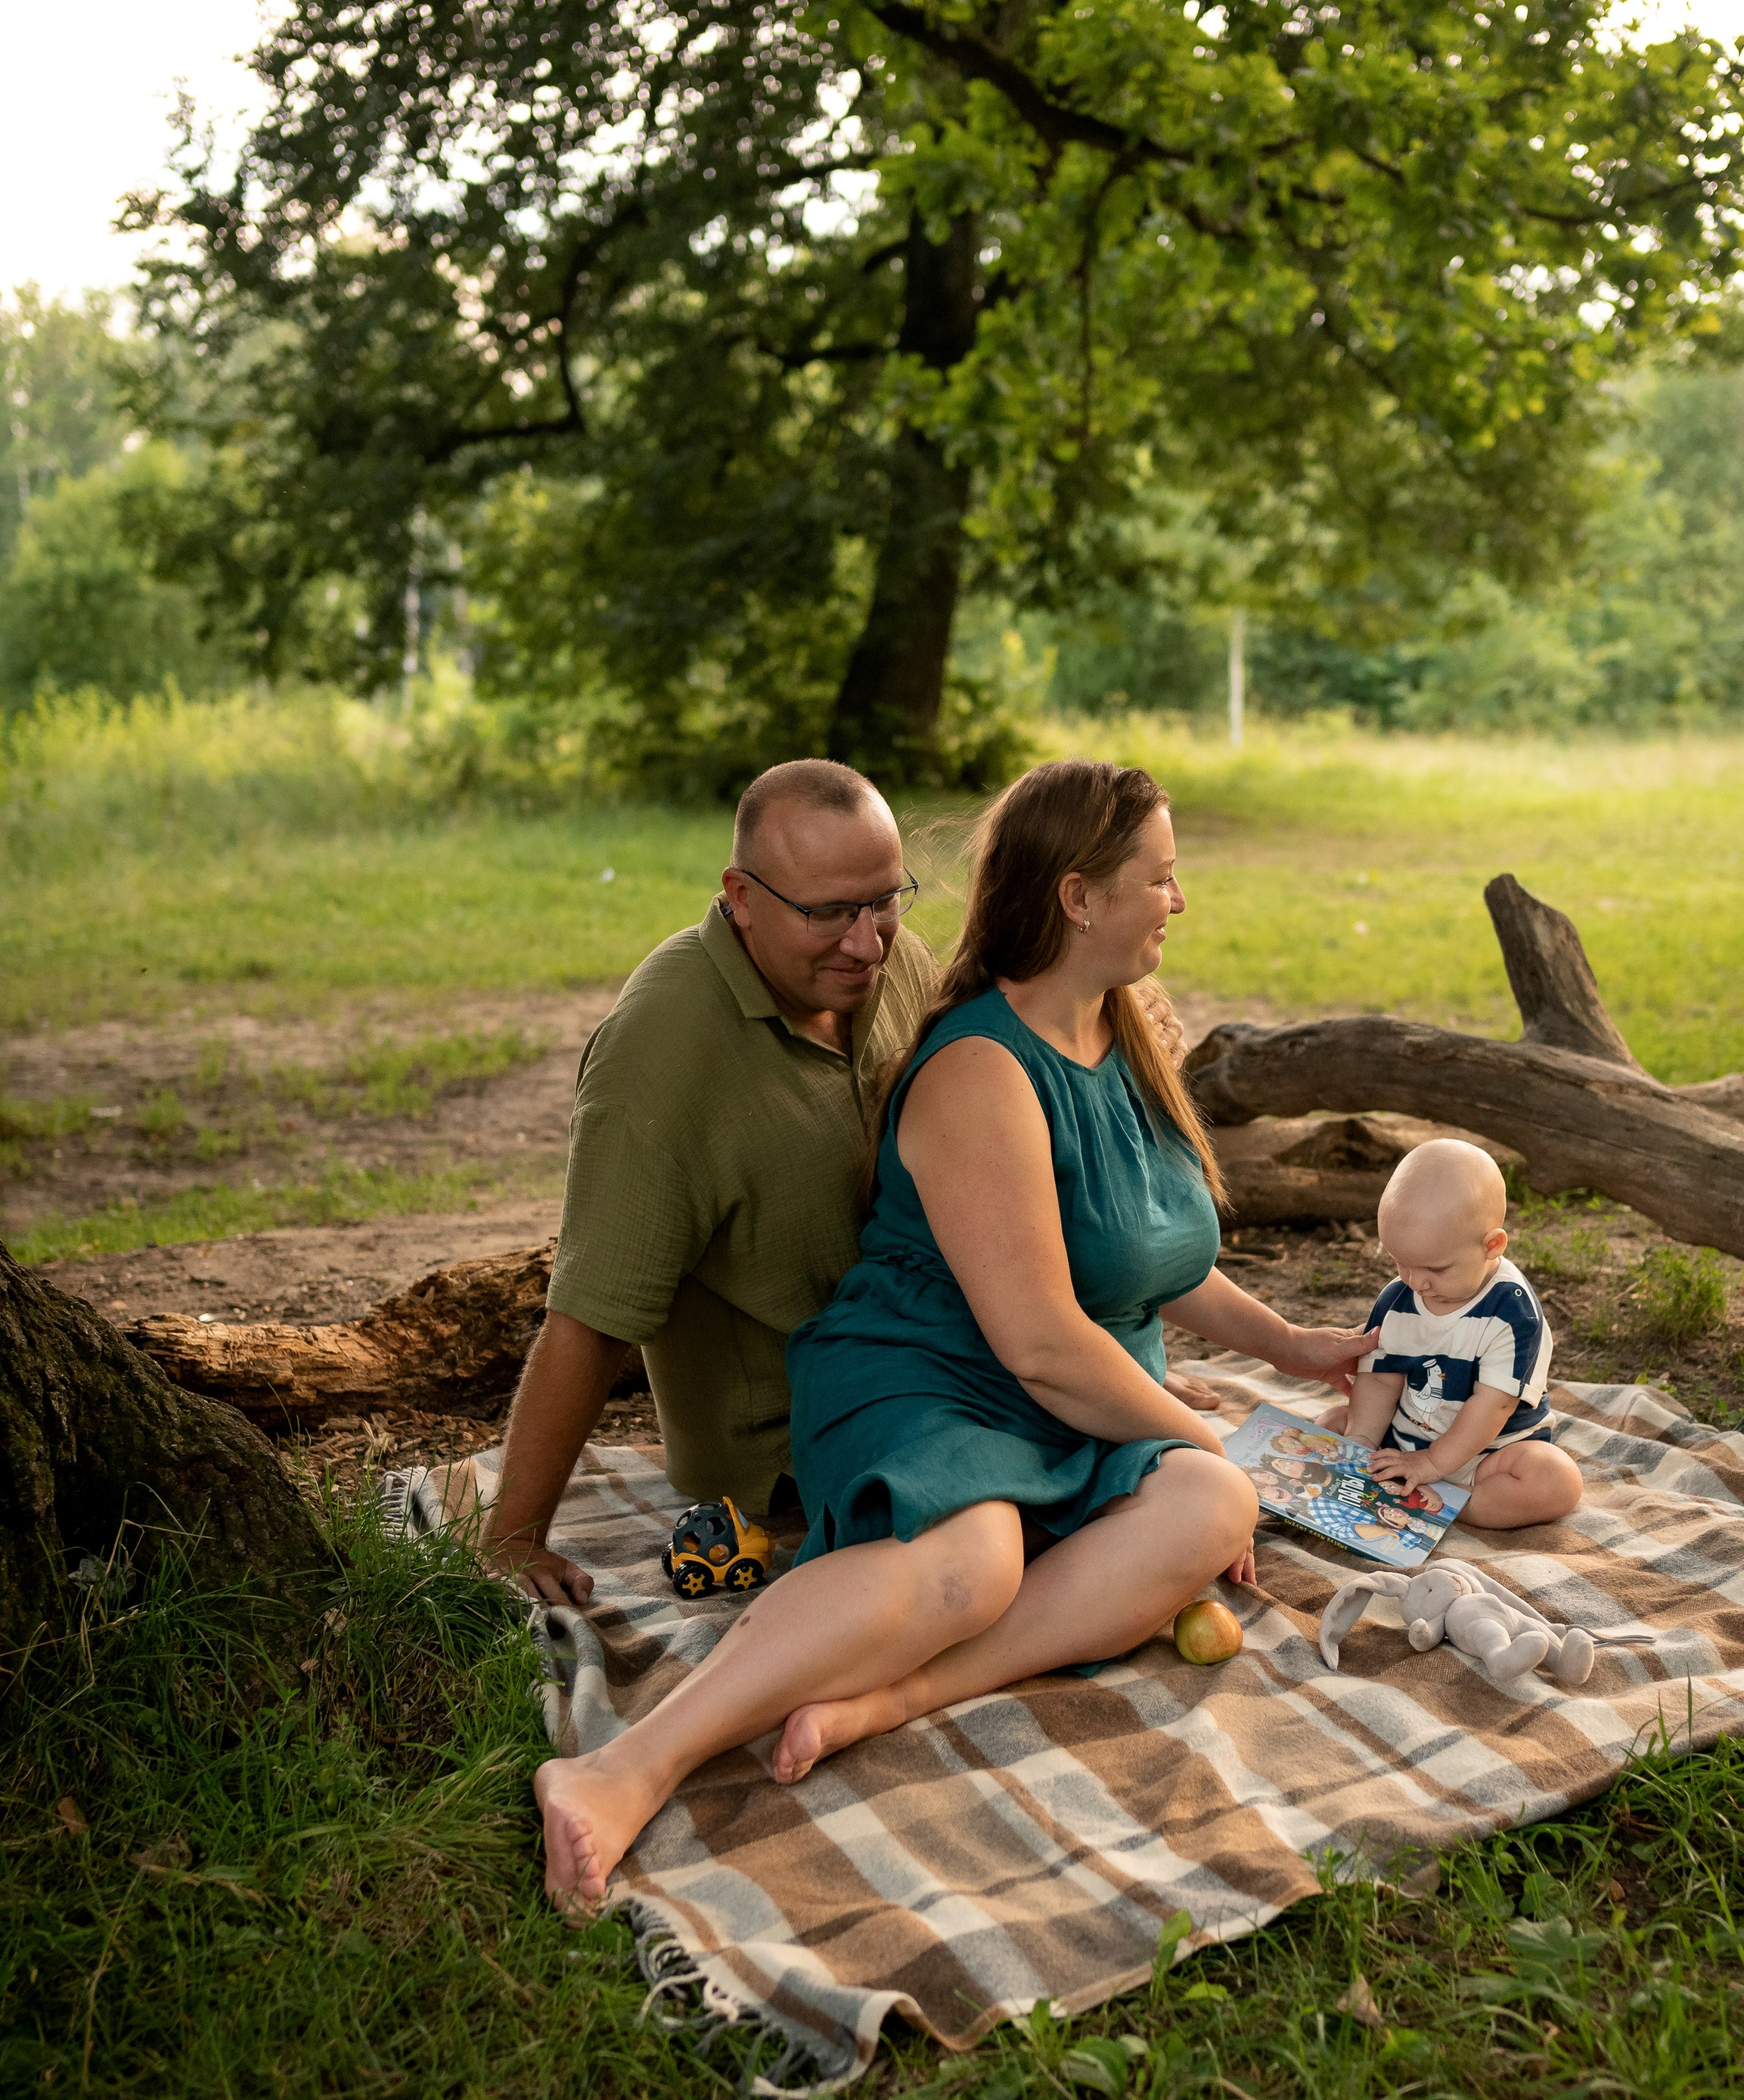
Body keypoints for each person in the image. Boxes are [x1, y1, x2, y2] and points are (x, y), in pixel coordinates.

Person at [534, 758, 1378, 1915]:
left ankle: (886, 1701)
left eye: (1174, 881)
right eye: (1161, 879)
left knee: (1210, 1505)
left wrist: (1288, 1348)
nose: (1178, 902)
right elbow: (1035, 1343)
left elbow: (1137, 1253)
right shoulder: (981, 1066)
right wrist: (1195, 1427)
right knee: (977, 1562)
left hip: (1070, 1387)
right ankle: (621, 1769)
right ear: (1080, 898)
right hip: (932, 1370)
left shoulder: (1121, 1030)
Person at [486, 760, 939, 1602]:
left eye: (884, 898)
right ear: (740, 894)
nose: (867, 940)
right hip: (792, 1461)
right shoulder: (660, 1052)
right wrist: (514, 1534)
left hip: (930, 1373)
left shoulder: (890, 960)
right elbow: (592, 1311)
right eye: (829, 911)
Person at [1326, 1138, 1584, 1529]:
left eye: (1436, 1269)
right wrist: (1360, 1443)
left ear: (1491, 1246)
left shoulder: (1512, 1312)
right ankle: (1397, 1483)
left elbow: (1493, 1405)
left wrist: (1432, 1464)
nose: (1415, 1282)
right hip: (1404, 1443)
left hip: (1488, 1455)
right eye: (1400, 1263)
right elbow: (1380, 1380)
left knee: (1555, 1481)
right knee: (1332, 1423)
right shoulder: (1401, 1297)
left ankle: (1453, 1504)